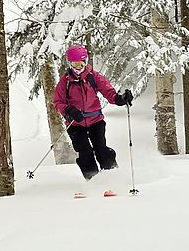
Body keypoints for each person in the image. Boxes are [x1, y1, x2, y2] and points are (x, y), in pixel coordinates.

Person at [53, 44, 133, 180]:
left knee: (101, 149)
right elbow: (58, 102)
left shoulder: (93, 77)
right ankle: (94, 180)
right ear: (69, 64)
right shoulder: (65, 82)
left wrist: (120, 99)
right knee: (85, 153)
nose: (78, 68)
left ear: (86, 62)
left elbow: (109, 92)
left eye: (81, 63)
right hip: (75, 124)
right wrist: (69, 110)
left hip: (95, 121)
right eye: (74, 64)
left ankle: (112, 176)